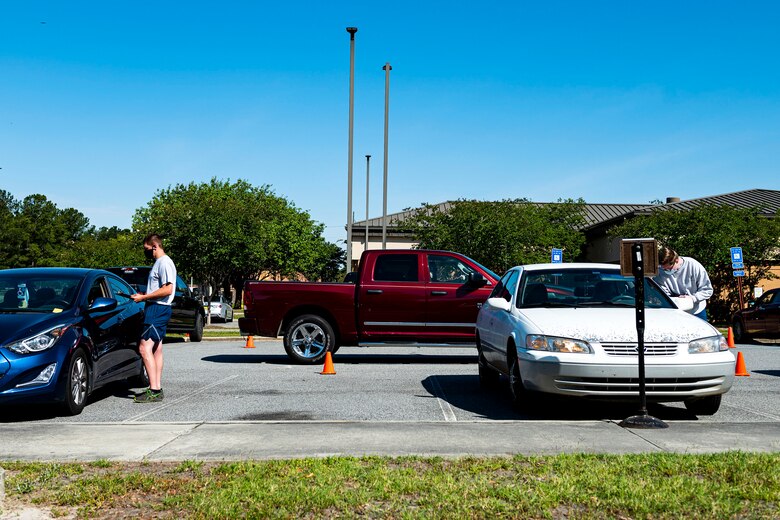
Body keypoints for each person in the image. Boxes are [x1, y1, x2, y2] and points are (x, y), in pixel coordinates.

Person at [131, 234, 176, 403]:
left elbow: (168, 289)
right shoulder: (160, 263)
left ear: (155, 246)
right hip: (156, 307)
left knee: (144, 347)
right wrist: (145, 296)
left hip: (158, 309)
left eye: (147, 249)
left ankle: (154, 389)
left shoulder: (164, 262)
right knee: (156, 348)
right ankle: (156, 387)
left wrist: (144, 298)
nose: (146, 252)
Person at [654, 246, 713, 321]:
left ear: (677, 260)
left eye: (669, 268)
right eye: (664, 269)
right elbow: (663, 292)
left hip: (696, 310)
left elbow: (707, 290)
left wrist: (692, 298)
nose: (666, 271)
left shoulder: (693, 265)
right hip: (675, 312)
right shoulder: (660, 270)